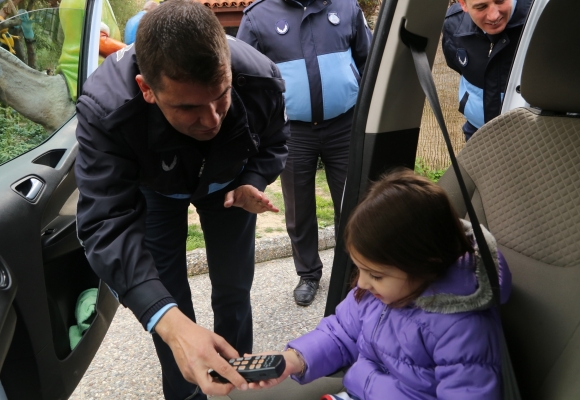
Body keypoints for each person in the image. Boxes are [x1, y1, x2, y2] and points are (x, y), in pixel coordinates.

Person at [74, 1, 290, 399]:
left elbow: (275, 141)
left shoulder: (260, 78)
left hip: (230, 190)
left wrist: (253, 179)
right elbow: (105, 220)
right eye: (188, 107)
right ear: (146, 89)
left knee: (234, 288)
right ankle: (185, 392)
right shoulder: (106, 108)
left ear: (230, 71)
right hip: (157, 191)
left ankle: (233, 385)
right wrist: (169, 322)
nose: (212, 120)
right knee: (168, 304)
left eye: (221, 96)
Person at [248, 169, 512, 399]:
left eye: (375, 275)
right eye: (360, 269)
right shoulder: (378, 294)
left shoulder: (462, 329)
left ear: (424, 264)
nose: (362, 283)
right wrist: (294, 360)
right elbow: (340, 333)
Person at [237, 0, 372, 307]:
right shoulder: (257, 17)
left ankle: (355, 270)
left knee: (352, 203)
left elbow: (368, 61)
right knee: (299, 208)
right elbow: (245, 79)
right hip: (292, 131)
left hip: (345, 125)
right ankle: (308, 273)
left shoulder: (347, 7)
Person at [442, 0, 530, 141]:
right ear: (463, 4)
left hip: (531, 134)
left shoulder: (543, 19)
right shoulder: (452, 24)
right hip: (476, 131)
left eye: (500, 1)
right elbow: (456, 65)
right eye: (481, 7)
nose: (494, 16)